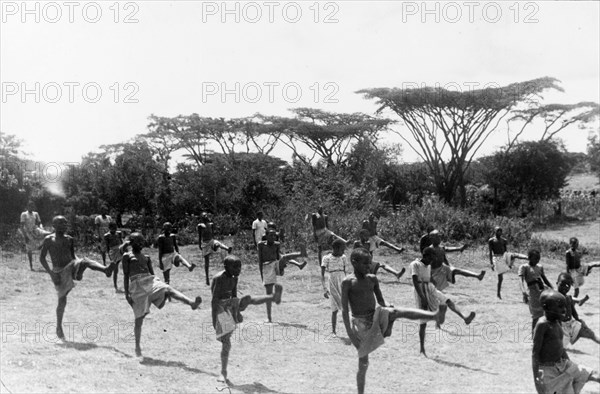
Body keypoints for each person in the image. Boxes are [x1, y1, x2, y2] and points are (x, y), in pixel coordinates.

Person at [341, 247, 443, 394]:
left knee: (395, 311)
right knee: (364, 362)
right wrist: (351, 335)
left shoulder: (372, 279)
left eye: (369, 263)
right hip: (360, 323)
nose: (368, 266)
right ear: (354, 262)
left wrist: (388, 306)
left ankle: (434, 315)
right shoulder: (348, 282)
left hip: (374, 316)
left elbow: (381, 301)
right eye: (365, 263)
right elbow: (345, 311)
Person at [122, 232, 202, 357]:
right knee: (139, 319)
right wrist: (127, 294)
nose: (140, 244)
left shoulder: (146, 257)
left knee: (168, 288)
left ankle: (191, 303)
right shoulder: (127, 256)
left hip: (150, 281)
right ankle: (137, 346)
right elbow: (126, 275)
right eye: (136, 242)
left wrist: (159, 284)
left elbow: (153, 275)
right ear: (131, 243)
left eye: (141, 241)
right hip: (137, 287)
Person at [39, 216, 116, 340]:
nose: (64, 226)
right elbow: (42, 258)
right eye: (61, 223)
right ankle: (59, 327)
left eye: (65, 223)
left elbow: (73, 254)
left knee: (85, 261)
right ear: (54, 225)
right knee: (62, 300)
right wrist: (51, 273)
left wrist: (78, 264)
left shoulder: (69, 239)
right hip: (59, 271)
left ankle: (105, 270)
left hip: (71, 264)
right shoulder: (49, 239)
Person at [211, 255, 283, 384]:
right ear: (226, 267)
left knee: (247, 299)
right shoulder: (219, 279)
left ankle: (273, 297)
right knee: (226, 342)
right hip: (221, 308)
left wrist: (237, 312)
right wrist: (214, 319)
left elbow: (234, 295)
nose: (238, 269)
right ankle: (223, 372)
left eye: (240, 267)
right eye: (235, 267)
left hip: (230, 305)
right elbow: (214, 300)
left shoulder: (234, 278)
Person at [411, 246, 475, 357]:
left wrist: (436, 287)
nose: (431, 261)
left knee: (447, 301)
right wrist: (423, 297)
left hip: (430, 288)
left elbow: (430, 279)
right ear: (425, 256)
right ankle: (422, 348)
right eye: (430, 258)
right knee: (423, 322)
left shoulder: (429, 266)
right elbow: (415, 282)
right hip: (420, 290)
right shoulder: (415, 264)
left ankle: (465, 318)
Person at [532, 289, 599, 394]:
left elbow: (560, 347)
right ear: (546, 307)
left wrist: (570, 365)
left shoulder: (557, 322)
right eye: (559, 306)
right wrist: (537, 379)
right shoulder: (542, 325)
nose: (564, 310)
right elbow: (535, 353)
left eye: (564, 306)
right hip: (549, 371)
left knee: (593, 374)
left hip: (563, 364)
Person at [257, 230, 307, 323]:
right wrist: (262, 276)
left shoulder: (276, 244)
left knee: (283, 257)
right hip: (267, 268)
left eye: (274, 236)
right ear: (266, 236)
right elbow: (260, 261)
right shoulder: (261, 245)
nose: (273, 237)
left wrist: (282, 264)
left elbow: (278, 257)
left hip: (275, 265)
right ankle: (269, 317)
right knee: (268, 294)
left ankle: (301, 253)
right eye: (271, 236)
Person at [556, 272, 599, 346]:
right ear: (557, 283)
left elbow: (573, 311)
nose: (564, 287)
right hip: (560, 326)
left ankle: (596, 339)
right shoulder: (554, 297)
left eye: (567, 286)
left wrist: (578, 319)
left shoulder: (568, 298)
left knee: (588, 333)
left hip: (570, 323)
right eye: (562, 284)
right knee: (560, 346)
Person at [518, 249, 554, 334]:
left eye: (538, 258)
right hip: (533, 293)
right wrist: (523, 292)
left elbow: (545, 280)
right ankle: (534, 335)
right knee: (535, 315)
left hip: (542, 291)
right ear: (529, 258)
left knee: (545, 314)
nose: (537, 260)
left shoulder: (540, 267)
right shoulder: (524, 267)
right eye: (535, 258)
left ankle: (543, 334)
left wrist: (552, 289)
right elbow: (521, 280)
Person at [321, 238, 347, 337]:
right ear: (336, 248)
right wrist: (324, 288)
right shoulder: (326, 258)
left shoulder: (343, 257)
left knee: (345, 306)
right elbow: (322, 274)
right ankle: (333, 331)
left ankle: (350, 328)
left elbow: (345, 271)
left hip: (342, 280)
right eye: (342, 249)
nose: (343, 251)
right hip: (332, 282)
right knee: (334, 308)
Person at [198, 212, 232, 286]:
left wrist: (213, 242)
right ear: (201, 217)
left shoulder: (211, 224)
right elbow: (200, 235)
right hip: (205, 243)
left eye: (206, 215)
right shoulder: (200, 225)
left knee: (217, 243)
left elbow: (212, 234)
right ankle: (207, 278)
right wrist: (199, 244)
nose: (205, 216)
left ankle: (226, 248)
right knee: (207, 262)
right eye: (203, 216)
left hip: (211, 240)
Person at [19, 201, 51, 270]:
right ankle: (31, 266)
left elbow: (39, 223)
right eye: (30, 206)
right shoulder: (24, 214)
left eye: (33, 206)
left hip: (35, 229)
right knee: (29, 249)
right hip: (28, 232)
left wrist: (41, 229)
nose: (32, 207)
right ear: (27, 207)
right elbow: (21, 226)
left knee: (48, 234)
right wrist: (25, 236)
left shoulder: (36, 213)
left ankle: (41, 246)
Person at [488, 226, 513, 299]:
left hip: (502, 257)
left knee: (501, 277)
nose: (499, 232)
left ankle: (498, 293)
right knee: (500, 277)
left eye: (500, 231)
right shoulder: (491, 240)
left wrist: (508, 261)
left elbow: (506, 252)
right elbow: (490, 252)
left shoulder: (504, 240)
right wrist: (491, 263)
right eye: (498, 231)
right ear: (495, 231)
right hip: (496, 258)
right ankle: (498, 294)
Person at [104, 221, 124, 292]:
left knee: (125, 266)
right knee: (116, 269)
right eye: (113, 228)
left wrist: (124, 250)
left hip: (120, 249)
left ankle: (126, 284)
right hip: (113, 251)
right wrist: (109, 256)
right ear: (109, 228)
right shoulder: (107, 236)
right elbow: (107, 246)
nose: (114, 230)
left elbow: (121, 242)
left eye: (115, 228)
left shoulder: (118, 233)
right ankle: (115, 286)